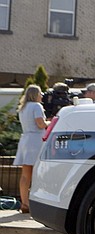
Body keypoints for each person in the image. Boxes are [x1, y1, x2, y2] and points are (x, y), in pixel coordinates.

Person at [13, 85, 50, 213]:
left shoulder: (23, 107)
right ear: (35, 94)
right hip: (36, 141)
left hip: (25, 140)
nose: (42, 96)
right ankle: (36, 203)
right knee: (37, 174)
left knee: (25, 174)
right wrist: (50, 123)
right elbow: (40, 124)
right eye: (40, 93)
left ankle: (24, 203)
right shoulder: (36, 106)